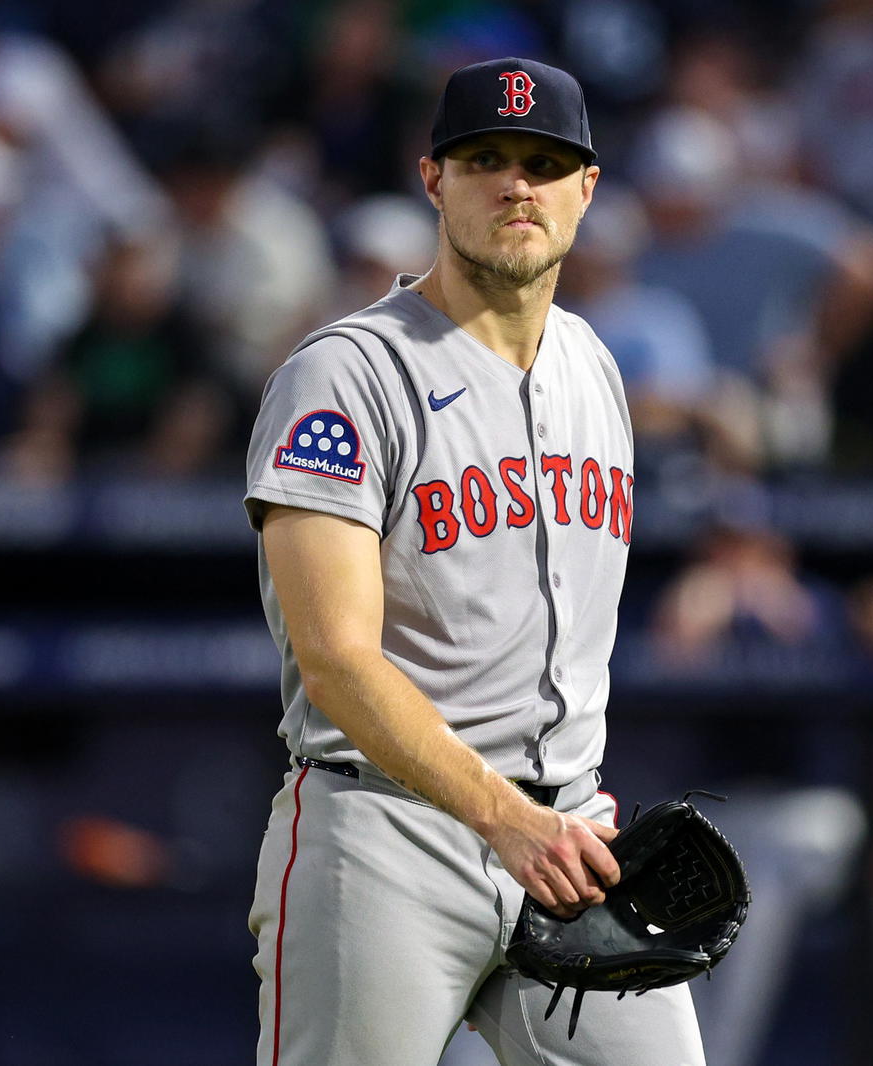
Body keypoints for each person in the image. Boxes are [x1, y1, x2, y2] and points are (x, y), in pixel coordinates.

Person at [242, 57, 707, 1066]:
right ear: (432, 181)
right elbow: (334, 655)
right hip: (386, 833)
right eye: (485, 158)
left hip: (569, 834)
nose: (515, 184)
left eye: (544, 162)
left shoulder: (594, 364)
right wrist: (503, 815)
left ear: (587, 190)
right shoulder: (345, 373)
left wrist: (551, 807)